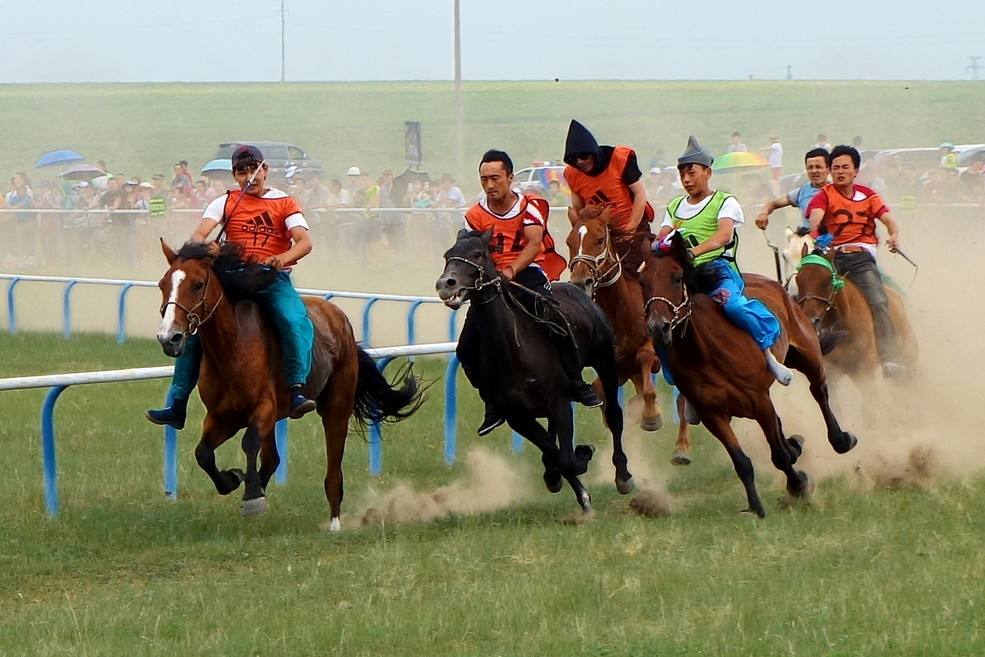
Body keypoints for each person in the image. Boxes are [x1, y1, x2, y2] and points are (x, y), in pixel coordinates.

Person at [146, 144, 316, 429]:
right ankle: (176, 404)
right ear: (235, 175)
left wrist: (280, 259)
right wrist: (205, 246)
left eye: (253, 169)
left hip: (271, 279)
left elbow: (304, 242)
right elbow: (201, 232)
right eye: (241, 172)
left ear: (265, 170)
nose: (248, 176)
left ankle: (296, 390)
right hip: (234, 278)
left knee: (293, 320)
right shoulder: (224, 202)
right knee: (196, 329)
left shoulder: (285, 202)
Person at [459, 149, 601, 436]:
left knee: (557, 322)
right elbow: (471, 251)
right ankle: (492, 402)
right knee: (466, 349)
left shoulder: (530, 206)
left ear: (510, 178)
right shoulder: (473, 215)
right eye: (484, 179)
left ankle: (575, 382)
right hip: (490, 284)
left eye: (495, 178)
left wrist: (510, 271)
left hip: (527, 275)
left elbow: (534, 244)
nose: (489, 185)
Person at [656, 136, 793, 386]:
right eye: (682, 174)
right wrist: (657, 246)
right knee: (656, 316)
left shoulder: (724, 201)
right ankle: (675, 373)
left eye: (691, 173)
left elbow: (723, 235)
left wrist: (692, 253)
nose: (686, 179)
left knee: (734, 307)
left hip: (717, 270)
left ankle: (768, 355)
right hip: (683, 276)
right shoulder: (675, 205)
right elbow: (663, 235)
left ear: (707, 173)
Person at [806, 145, 904, 377]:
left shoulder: (868, 195)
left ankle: (890, 357)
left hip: (860, 259)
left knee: (879, 301)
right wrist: (813, 234)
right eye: (836, 167)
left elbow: (888, 218)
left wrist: (894, 235)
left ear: (855, 170)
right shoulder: (824, 196)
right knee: (805, 296)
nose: (840, 172)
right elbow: (816, 218)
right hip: (831, 257)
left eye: (845, 167)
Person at [563, 119, 654, 273]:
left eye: (584, 156)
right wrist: (584, 214)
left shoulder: (619, 159)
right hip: (600, 236)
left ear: (593, 152)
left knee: (646, 269)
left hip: (634, 229)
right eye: (574, 160)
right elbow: (578, 211)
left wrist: (630, 229)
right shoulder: (572, 174)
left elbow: (640, 194)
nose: (580, 162)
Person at [755, 148, 830, 231]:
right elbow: (773, 204)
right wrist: (763, 213)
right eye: (810, 168)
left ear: (828, 169)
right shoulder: (802, 192)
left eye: (818, 167)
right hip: (809, 240)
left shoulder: (837, 190)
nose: (814, 171)